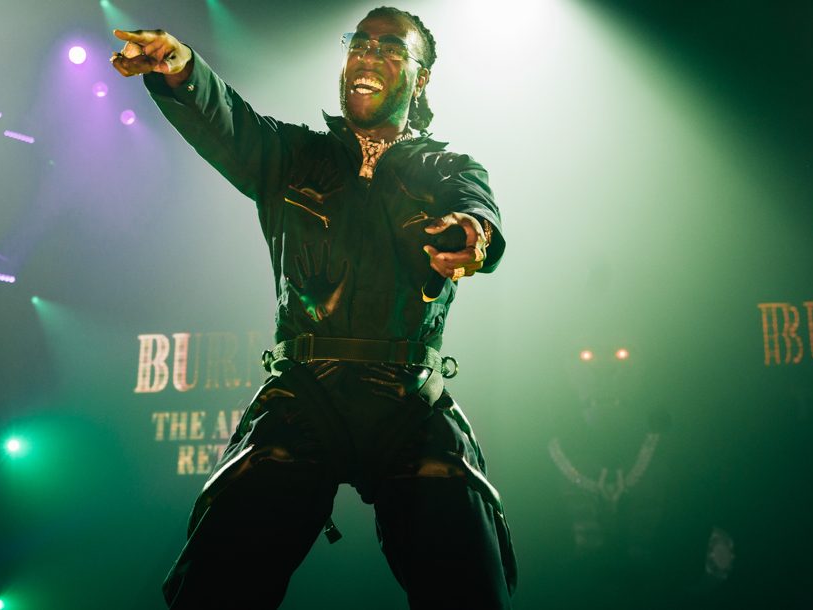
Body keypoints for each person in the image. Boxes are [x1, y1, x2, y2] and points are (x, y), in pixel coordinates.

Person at [111, 7, 516, 609]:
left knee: (466, 562)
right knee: (219, 570)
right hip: (305, 389)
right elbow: (229, 121)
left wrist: (473, 235)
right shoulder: (293, 155)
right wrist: (182, 68)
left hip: (408, 393)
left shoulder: (448, 169)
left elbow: (479, 213)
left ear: (421, 78)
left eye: (390, 48)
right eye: (360, 43)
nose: (368, 55)